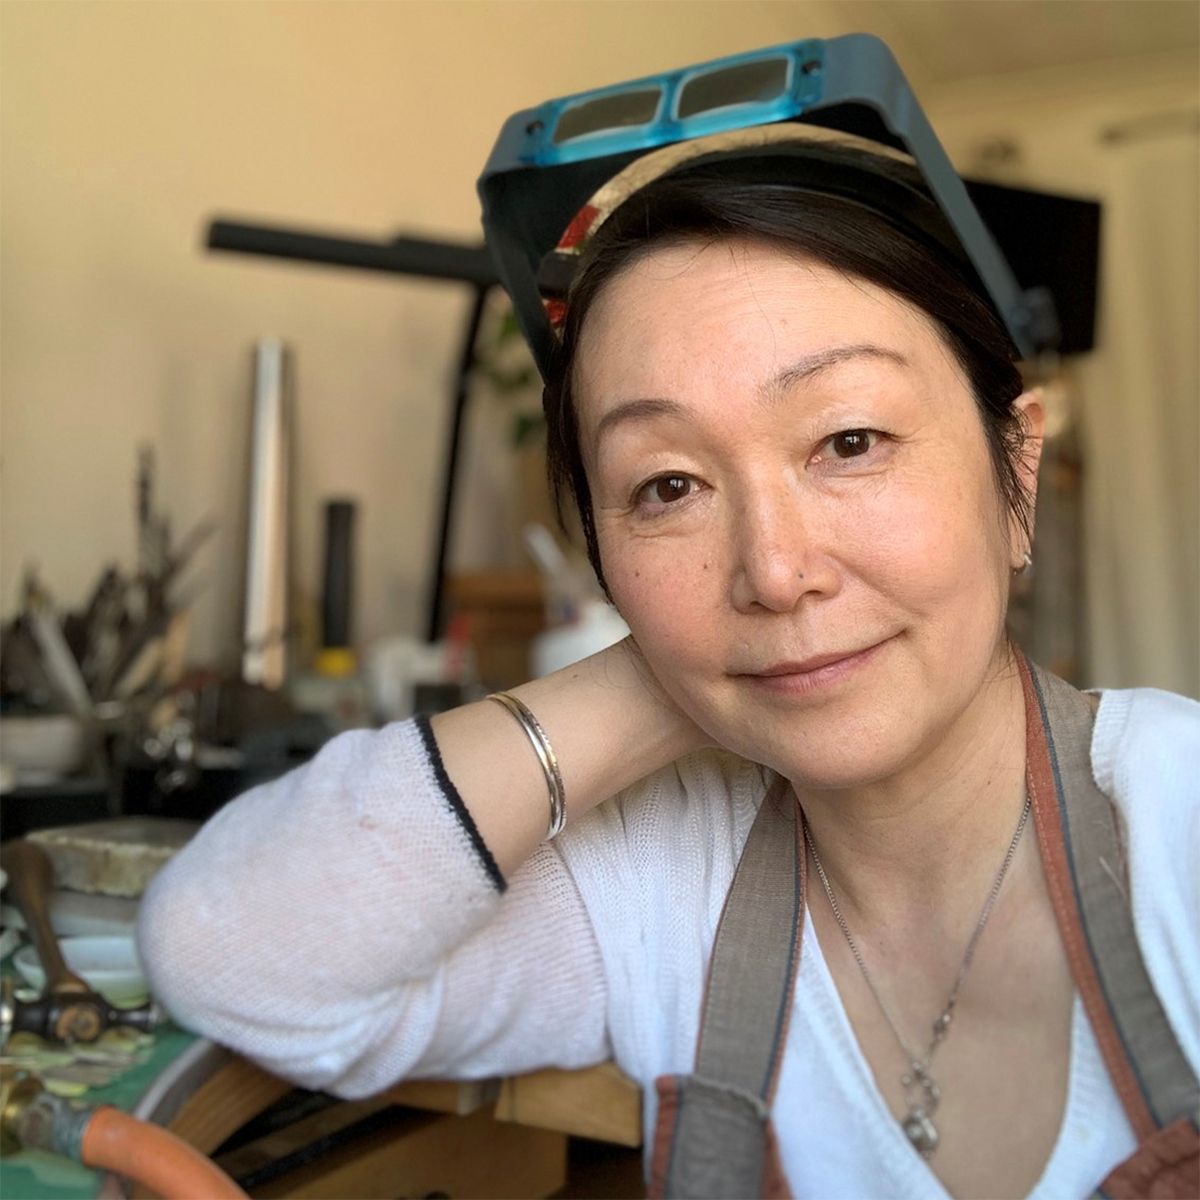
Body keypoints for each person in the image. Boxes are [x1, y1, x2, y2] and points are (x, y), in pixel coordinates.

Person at [138, 86, 1199, 1200]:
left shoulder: (1174, 828)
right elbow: (233, 953)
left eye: (849, 438)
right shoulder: (667, 890)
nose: (777, 571)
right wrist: (676, 661)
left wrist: (727, 631)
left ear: (1014, 473)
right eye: (668, 485)